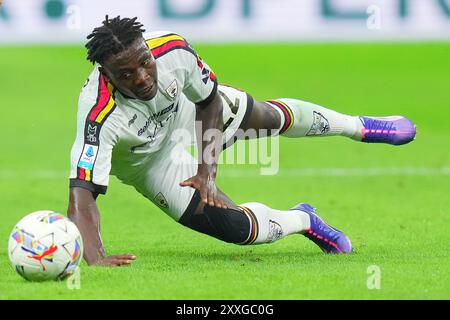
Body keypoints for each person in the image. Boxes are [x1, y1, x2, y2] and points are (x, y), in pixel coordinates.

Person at [68, 16, 416, 266]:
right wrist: (96, 257)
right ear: (106, 74)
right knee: (235, 229)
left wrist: (207, 171)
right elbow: (82, 199)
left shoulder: (173, 50)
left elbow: (208, 101)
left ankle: (359, 126)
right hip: (148, 162)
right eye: (126, 74)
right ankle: (304, 220)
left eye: (144, 63)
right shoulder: (98, 116)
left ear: (148, 50)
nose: (142, 78)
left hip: (188, 111)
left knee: (266, 118)